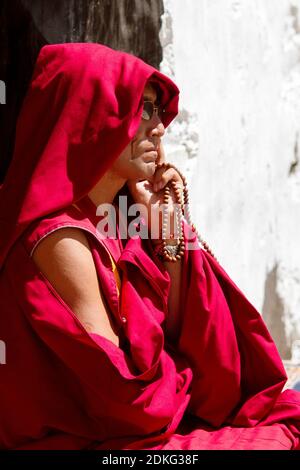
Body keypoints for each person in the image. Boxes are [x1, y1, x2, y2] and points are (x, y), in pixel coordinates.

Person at [0, 43, 299, 451]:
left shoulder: (119, 219)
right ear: (91, 117)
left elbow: (205, 348)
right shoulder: (61, 239)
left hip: (148, 424)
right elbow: (129, 403)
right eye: (142, 109)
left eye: (158, 111)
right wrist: (183, 373)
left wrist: (168, 226)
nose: (158, 127)